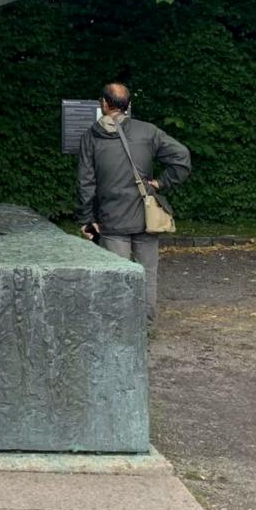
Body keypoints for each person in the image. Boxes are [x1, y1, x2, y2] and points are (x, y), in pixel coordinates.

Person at [77, 81, 191, 328]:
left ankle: (119, 329)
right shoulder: (148, 131)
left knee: (115, 277)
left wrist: (88, 219)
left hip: (110, 220)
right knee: (147, 275)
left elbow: (86, 183)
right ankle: (146, 329)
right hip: (145, 218)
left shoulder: (90, 137)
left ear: (105, 104)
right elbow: (182, 157)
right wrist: (160, 183)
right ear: (128, 105)